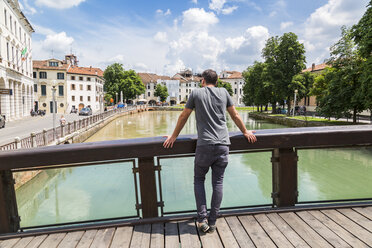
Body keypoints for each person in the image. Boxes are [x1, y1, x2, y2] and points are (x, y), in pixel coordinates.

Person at [163, 69, 257, 233]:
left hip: (205, 145)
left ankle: (202, 219)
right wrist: (245, 132)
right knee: (218, 182)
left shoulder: (196, 93)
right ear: (217, 81)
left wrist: (173, 136)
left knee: (199, 180)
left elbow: (184, 116)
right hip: (223, 145)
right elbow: (234, 115)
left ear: (203, 81)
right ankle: (212, 221)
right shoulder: (224, 92)